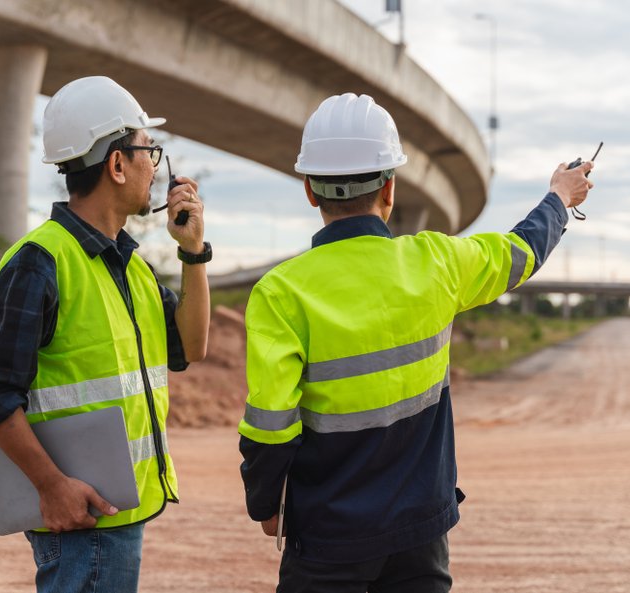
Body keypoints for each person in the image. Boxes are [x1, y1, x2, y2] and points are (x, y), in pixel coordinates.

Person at [237, 93, 593, 592]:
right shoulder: (437, 263)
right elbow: (521, 251)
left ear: (310, 192)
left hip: (327, 534)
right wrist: (558, 196)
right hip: (420, 527)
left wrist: (266, 503)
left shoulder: (280, 292)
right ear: (390, 187)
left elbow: (270, 426)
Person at [0, 76, 211, 592]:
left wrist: (192, 253)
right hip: (81, 519)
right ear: (117, 165)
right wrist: (52, 487)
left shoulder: (129, 265)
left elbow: (192, 346)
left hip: (118, 511)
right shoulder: (40, 262)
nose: (154, 167)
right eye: (148, 151)